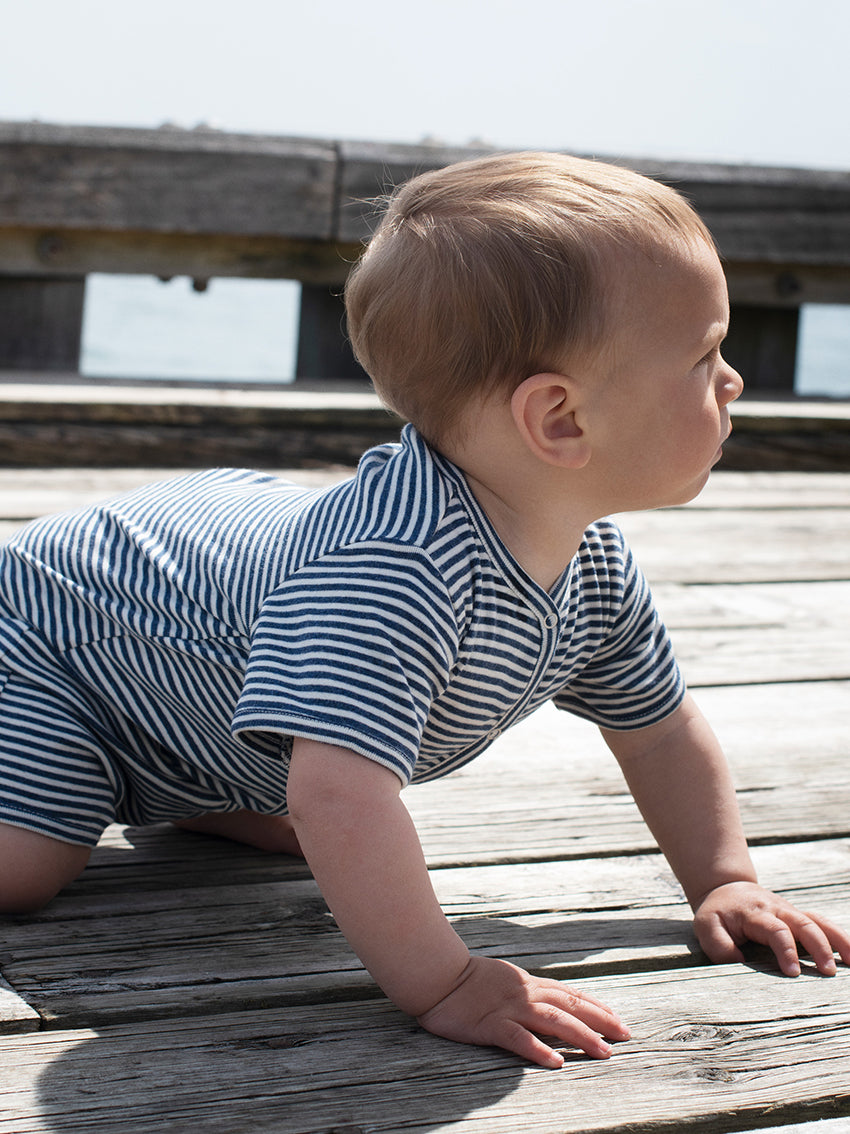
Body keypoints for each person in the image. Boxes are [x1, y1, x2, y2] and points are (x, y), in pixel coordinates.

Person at [0, 152, 847, 1070]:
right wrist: (446, 979)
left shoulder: (590, 557)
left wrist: (724, 882)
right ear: (560, 420)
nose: (733, 382)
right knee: (29, 866)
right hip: (56, 640)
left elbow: (658, 729)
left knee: (313, 803)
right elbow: (340, 795)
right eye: (703, 357)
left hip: (184, 664)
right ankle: (134, 779)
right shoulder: (393, 575)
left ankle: (200, 785)